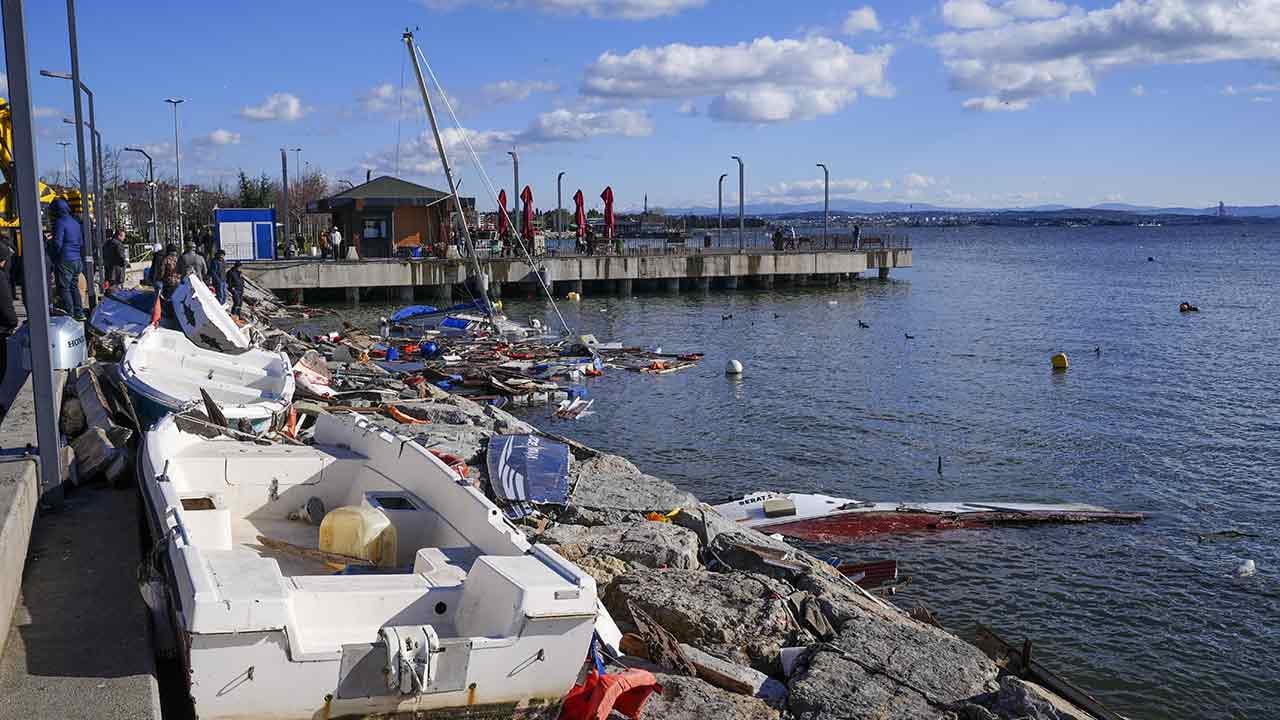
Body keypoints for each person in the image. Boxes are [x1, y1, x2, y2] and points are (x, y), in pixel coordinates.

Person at [49, 197, 85, 320]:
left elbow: (57, 243)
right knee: (74, 287)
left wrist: (52, 255)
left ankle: (69, 315)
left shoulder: (60, 222)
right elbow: (81, 242)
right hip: (77, 260)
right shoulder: (75, 223)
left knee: (64, 288)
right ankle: (79, 313)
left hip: (65, 260)